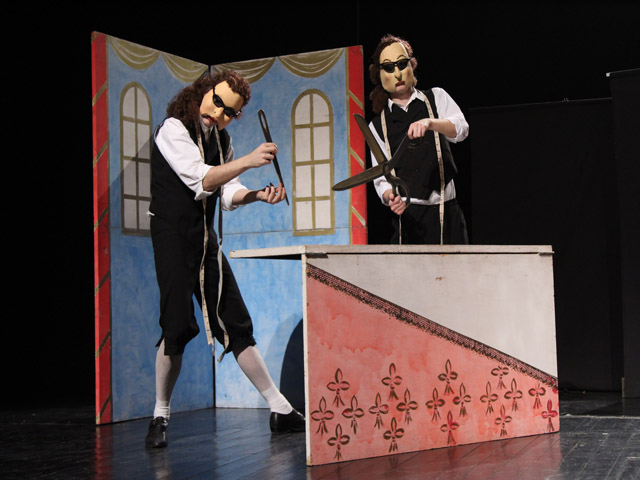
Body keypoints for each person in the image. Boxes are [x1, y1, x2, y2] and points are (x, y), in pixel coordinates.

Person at [145, 70, 304, 448]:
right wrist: (249, 161)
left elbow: (228, 193)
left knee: (235, 321)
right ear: (203, 91)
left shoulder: (222, 140)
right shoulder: (173, 129)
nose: (218, 113)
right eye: (216, 102)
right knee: (175, 325)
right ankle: (160, 415)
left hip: (205, 241)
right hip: (172, 237)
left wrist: (256, 195)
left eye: (229, 111)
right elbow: (201, 179)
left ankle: (280, 408)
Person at [368, 34, 470, 245]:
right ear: (379, 74)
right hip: (410, 219)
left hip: (447, 211)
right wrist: (390, 197)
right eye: (389, 68)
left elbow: (461, 130)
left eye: (402, 64)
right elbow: (381, 177)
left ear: (411, 66)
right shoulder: (377, 126)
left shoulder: (436, 97)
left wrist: (431, 123)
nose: (397, 73)